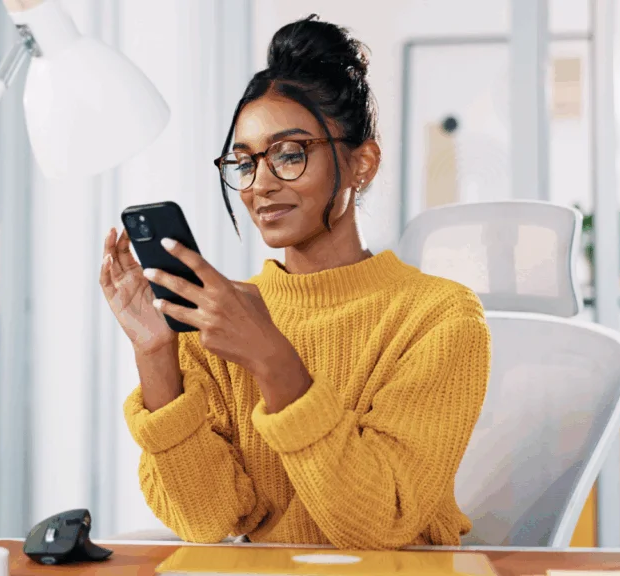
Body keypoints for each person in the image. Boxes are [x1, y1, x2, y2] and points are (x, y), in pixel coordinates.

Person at [98, 14, 491, 550]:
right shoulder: (219, 315)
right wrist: (156, 355)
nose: (260, 184)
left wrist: (273, 360)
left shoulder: (439, 316)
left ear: (363, 164)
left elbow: (380, 525)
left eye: (289, 154)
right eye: (243, 162)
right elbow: (208, 521)